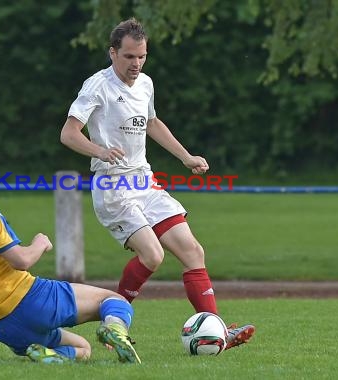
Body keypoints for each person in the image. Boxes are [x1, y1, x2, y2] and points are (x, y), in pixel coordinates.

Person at [60, 18, 254, 349]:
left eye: (142, 56)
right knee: (152, 255)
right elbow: (68, 133)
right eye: (129, 57)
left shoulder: (146, 84)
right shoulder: (97, 86)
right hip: (113, 187)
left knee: (193, 250)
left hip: (144, 182)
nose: (136, 64)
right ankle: (114, 323)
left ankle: (218, 329)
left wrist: (186, 157)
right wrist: (101, 151)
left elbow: (151, 123)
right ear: (113, 53)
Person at [0, 156, 141, 364]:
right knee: (114, 300)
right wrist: (40, 243)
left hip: (5, 329)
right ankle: (114, 328)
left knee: (83, 348)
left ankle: (54, 357)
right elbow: (21, 261)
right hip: (32, 299)